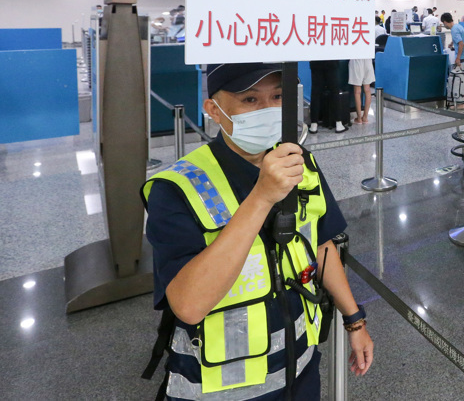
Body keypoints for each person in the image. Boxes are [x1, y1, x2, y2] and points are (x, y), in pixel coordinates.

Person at [143, 63, 374, 400]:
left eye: (278, 97)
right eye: (250, 100)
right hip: (222, 389)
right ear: (214, 110)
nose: (268, 111)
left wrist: (355, 320)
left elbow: (321, 244)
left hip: (301, 370)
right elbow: (188, 305)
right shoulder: (177, 189)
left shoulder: (300, 163)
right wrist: (262, 196)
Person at [309, 60, 346, 134]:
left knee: (315, 94)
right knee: (335, 93)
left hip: (316, 63)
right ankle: (338, 123)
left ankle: (314, 124)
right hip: (331, 62)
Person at [349, 58, 375, 125]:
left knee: (357, 91)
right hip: (368, 61)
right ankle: (365, 117)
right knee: (367, 90)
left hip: (356, 61)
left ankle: (359, 118)